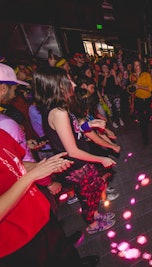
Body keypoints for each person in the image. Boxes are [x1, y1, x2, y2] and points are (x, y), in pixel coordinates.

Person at [32, 66, 117, 234]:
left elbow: (72, 130)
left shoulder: (58, 107)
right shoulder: (58, 112)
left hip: (81, 162)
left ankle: (96, 214)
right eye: (67, 80)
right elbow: (72, 151)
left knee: (96, 188)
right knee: (88, 196)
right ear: (57, 86)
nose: (72, 83)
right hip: (77, 164)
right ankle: (92, 225)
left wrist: (88, 124)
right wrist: (102, 159)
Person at [0, 129, 99, 267]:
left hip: (42, 218)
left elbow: (17, 165)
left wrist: (43, 167)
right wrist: (32, 176)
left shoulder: (2, 133)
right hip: (18, 242)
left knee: (67, 256)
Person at [131, 59, 152, 146]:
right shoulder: (132, 76)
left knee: (146, 119)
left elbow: (151, 89)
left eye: (137, 65)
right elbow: (132, 90)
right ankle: (145, 137)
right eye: (135, 65)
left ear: (140, 66)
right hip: (138, 100)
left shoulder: (146, 75)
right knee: (142, 120)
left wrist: (140, 86)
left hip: (146, 100)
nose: (136, 67)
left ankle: (146, 134)